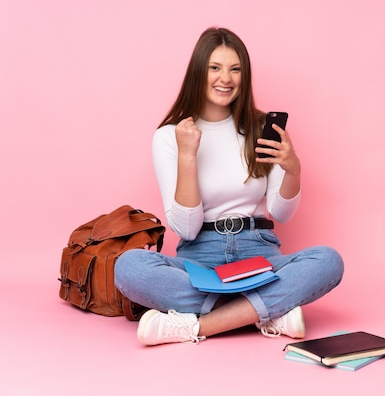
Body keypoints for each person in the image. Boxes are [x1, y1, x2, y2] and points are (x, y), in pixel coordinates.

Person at [114, 27, 344, 346]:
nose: (226, 78)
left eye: (235, 69)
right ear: (199, 72)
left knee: (328, 260)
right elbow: (187, 228)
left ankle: (198, 326)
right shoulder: (170, 136)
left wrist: (293, 169)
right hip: (200, 257)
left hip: (259, 251)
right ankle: (265, 310)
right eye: (215, 67)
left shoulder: (261, 128)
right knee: (129, 267)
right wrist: (187, 156)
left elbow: (281, 212)